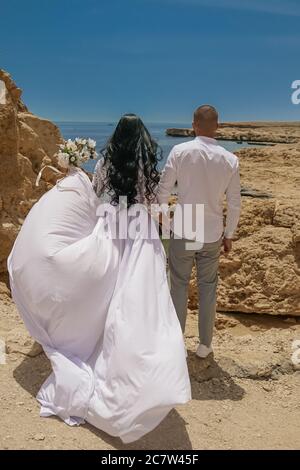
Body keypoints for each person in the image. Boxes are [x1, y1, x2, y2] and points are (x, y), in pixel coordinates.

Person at [8, 114, 191, 444]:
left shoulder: (106, 161)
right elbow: (153, 203)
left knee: (109, 297)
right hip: (139, 233)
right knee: (143, 304)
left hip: (111, 228)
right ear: (143, 137)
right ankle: (147, 372)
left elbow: (98, 194)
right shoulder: (148, 164)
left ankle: (97, 351)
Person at [157, 105, 241, 358]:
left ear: (193, 124)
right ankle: (205, 345)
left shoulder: (180, 151)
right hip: (212, 234)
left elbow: (162, 192)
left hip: (184, 231)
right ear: (217, 126)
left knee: (179, 286)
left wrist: (166, 225)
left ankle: (176, 344)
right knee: (208, 288)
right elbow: (235, 202)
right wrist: (229, 234)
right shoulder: (230, 159)